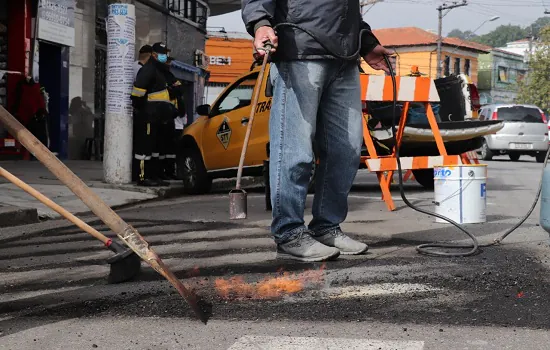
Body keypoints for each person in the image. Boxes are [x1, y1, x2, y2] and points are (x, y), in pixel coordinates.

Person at [242, 0, 394, 262]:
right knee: (295, 150)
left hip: (344, 60)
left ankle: (326, 227)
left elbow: (345, 10)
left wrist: (366, 43)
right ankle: (289, 233)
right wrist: (260, 23)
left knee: (345, 150)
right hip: (299, 51)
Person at [130, 42, 174, 187]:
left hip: (157, 117)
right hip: (148, 116)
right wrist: (144, 110)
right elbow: (137, 94)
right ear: (154, 55)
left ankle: (154, 175)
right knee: (145, 147)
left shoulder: (159, 70)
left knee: (155, 148)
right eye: (162, 53)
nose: (165, 56)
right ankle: (142, 177)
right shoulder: (148, 69)